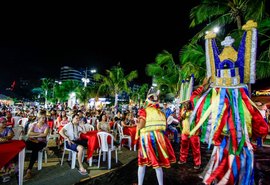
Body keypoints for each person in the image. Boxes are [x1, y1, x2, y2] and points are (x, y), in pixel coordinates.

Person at [188, 20, 268, 184]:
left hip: (233, 145)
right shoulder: (221, 102)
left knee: (232, 168)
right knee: (229, 168)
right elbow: (260, 127)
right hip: (228, 144)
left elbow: (195, 102)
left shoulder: (239, 102)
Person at [136, 87, 176, 185]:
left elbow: (141, 124)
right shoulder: (161, 112)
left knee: (142, 163)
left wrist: (137, 126)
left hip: (147, 138)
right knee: (158, 164)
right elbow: (165, 126)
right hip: (159, 138)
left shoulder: (144, 110)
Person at [24, 110, 49, 181]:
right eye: (43, 118)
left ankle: (29, 170)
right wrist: (39, 134)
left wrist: (34, 135)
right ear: (39, 118)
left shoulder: (46, 126)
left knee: (35, 149)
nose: (44, 119)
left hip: (41, 142)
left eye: (45, 118)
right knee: (24, 143)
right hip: (33, 141)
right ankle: (46, 149)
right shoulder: (34, 124)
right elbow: (28, 134)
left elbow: (45, 135)